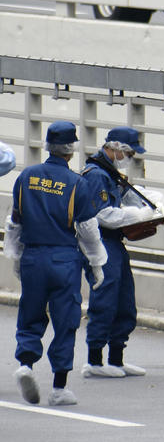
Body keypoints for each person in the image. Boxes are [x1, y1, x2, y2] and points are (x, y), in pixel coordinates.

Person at [5, 121, 107, 406]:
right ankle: (59, 387)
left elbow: (15, 221)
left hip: (33, 257)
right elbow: (87, 229)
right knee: (66, 321)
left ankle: (25, 363)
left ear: (47, 145)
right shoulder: (77, 183)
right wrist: (98, 263)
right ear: (71, 149)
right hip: (64, 258)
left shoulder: (26, 177)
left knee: (30, 313)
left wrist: (14, 256)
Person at [80, 127, 164, 378]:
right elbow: (103, 215)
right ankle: (95, 360)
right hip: (100, 242)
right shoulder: (96, 175)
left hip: (114, 243)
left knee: (124, 301)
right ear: (114, 148)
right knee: (105, 300)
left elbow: (129, 197)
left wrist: (152, 203)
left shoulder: (109, 172)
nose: (130, 157)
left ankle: (116, 359)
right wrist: (138, 215)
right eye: (128, 152)